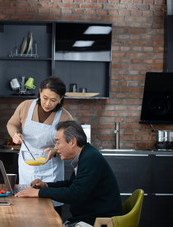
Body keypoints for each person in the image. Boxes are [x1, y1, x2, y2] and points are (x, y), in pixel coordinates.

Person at [15, 121, 123, 227]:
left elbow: (75, 194)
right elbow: (71, 184)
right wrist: (46, 185)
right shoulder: (86, 154)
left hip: (99, 221)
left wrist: (39, 193)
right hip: (88, 218)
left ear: (72, 142)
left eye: (58, 142)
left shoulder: (90, 158)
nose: (56, 148)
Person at [6, 76, 73, 212]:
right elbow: (12, 124)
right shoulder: (25, 106)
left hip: (51, 168)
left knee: (50, 210)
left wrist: (55, 151)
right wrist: (14, 134)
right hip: (27, 164)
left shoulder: (65, 117)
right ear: (40, 93)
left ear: (61, 99)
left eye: (53, 100)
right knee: (26, 208)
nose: (47, 103)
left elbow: (69, 145)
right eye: (44, 98)